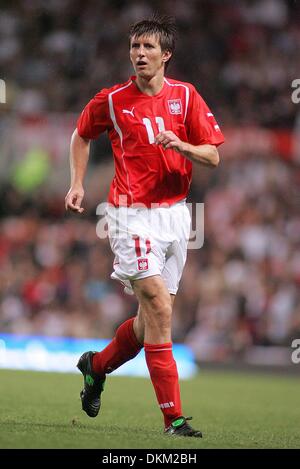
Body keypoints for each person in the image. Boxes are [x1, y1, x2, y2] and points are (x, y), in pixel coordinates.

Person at [65, 15, 224, 437]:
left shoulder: (186, 97)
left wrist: (184, 145)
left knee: (149, 320)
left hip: (176, 215)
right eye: (135, 47)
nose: (139, 54)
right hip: (128, 213)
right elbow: (81, 134)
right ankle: (173, 419)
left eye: (148, 47)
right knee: (158, 306)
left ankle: (95, 367)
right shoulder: (113, 99)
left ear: (166, 54)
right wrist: (78, 183)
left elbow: (213, 156)